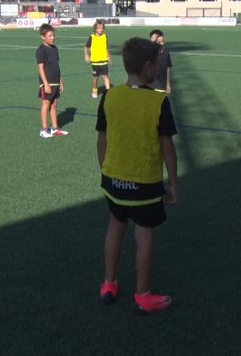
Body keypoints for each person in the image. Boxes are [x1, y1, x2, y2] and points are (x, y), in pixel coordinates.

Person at [96, 37, 179, 315]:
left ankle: (109, 284)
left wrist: (104, 170)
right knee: (144, 237)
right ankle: (143, 295)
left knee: (115, 228)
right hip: (144, 183)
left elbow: (102, 139)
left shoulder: (111, 96)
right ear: (146, 66)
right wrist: (174, 185)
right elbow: (168, 147)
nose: (157, 67)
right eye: (155, 63)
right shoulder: (157, 102)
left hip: (113, 180)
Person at [36, 23, 68, 138]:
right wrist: (45, 84)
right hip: (47, 82)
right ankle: (44, 129)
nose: (53, 38)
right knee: (46, 103)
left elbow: (56, 65)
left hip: (55, 81)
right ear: (43, 36)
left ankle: (55, 128)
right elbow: (40, 68)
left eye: (53, 35)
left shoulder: (55, 49)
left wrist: (61, 80)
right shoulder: (41, 50)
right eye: (50, 36)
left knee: (54, 104)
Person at [84, 20, 112, 98]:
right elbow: (86, 47)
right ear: (95, 29)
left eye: (102, 28)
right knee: (96, 78)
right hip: (95, 62)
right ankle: (95, 90)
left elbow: (106, 48)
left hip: (104, 61)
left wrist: (109, 57)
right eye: (99, 28)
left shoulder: (105, 37)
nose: (101, 30)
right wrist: (86, 56)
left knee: (106, 77)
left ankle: (108, 92)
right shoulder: (92, 37)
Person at [149, 29, 173, 94]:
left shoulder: (166, 52)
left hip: (161, 86)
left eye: (163, 41)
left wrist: (168, 84)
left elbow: (168, 68)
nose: (162, 44)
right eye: (159, 42)